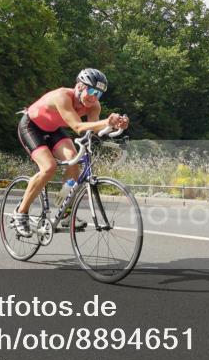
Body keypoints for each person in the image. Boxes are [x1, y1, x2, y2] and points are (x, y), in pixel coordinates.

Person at [13, 69, 130, 237]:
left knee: (74, 162)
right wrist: (107, 121)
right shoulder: (62, 97)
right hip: (31, 127)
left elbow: (93, 131)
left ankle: (63, 210)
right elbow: (78, 127)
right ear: (79, 86)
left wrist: (115, 125)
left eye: (99, 94)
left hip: (53, 130)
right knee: (49, 168)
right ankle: (21, 213)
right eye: (91, 91)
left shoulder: (93, 105)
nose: (94, 97)